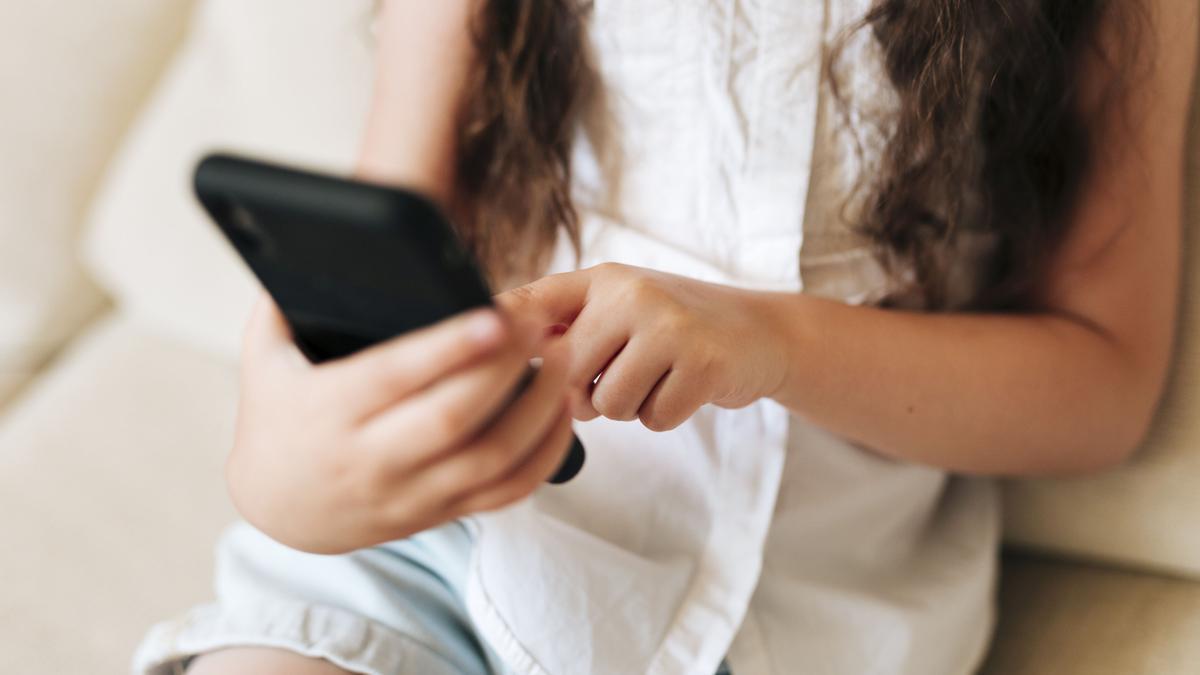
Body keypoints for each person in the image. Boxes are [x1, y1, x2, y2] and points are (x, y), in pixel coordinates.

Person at [135, 1, 1198, 674]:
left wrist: (772, 341)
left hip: (803, 617)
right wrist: (285, 478)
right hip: (453, 554)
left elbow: (1101, 387)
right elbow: (383, 281)